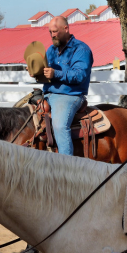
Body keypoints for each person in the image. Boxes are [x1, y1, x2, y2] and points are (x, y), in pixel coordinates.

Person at [32, 16, 93, 156]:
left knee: (59, 126)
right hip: (48, 94)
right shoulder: (51, 50)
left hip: (69, 95)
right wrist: (37, 73)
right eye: (50, 32)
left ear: (66, 29)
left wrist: (56, 74)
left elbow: (80, 75)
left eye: (55, 31)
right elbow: (46, 74)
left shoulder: (81, 49)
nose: (52, 35)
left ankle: (66, 166)